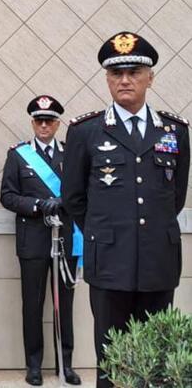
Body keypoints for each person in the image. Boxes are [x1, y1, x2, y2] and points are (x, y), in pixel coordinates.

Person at [62, 32, 189, 388]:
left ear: (150, 77)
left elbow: (174, 196)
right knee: (112, 359)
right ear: (107, 79)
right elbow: (74, 197)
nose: (125, 80)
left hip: (158, 262)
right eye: (116, 74)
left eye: (134, 72)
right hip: (109, 263)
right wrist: (105, 233)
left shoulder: (175, 131)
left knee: (155, 359)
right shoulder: (85, 132)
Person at [0, 95, 81, 386]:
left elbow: (82, 193)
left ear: (58, 124)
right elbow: (7, 196)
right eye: (39, 120)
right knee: (32, 306)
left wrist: (63, 202)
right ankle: (33, 365)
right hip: (33, 240)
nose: (44, 125)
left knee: (65, 305)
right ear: (32, 122)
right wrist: (36, 206)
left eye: (49, 120)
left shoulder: (71, 153)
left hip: (66, 240)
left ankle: (66, 364)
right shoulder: (18, 155)